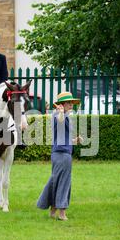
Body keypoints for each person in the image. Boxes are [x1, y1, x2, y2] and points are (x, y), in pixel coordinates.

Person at [37, 92, 83, 221]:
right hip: (62, 154)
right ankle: (62, 213)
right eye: (69, 102)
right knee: (64, 182)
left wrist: (75, 140)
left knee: (55, 181)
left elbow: (62, 136)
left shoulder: (64, 116)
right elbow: (60, 121)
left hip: (60, 152)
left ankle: (52, 210)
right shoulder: (59, 115)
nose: (71, 104)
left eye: (71, 102)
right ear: (62, 104)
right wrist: (62, 112)